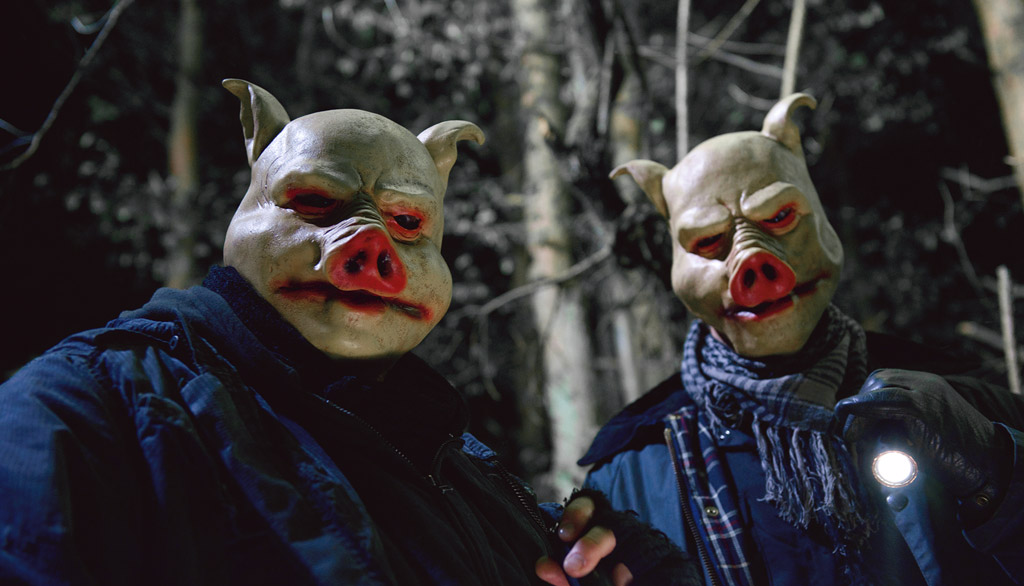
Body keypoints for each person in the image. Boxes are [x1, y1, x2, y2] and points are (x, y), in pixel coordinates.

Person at [0, 79, 697, 586]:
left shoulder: (461, 471)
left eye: (408, 223)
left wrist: (631, 557)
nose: (369, 251)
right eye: (313, 201)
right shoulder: (86, 409)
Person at [583, 92, 1024, 585]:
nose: (753, 264)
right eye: (708, 241)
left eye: (779, 218)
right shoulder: (630, 478)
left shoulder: (965, 406)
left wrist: (998, 472)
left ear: (822, 220)